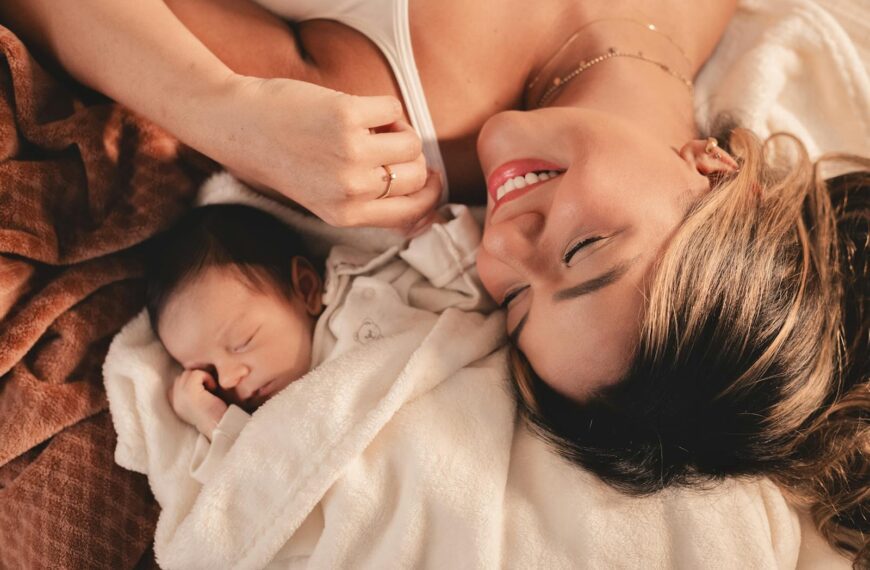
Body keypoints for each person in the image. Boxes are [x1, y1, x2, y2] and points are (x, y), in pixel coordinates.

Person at [4, 0, 867, 563]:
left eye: (515, 299)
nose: (510, 240)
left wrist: (226, 111)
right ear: (716, 170)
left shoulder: (377, 112)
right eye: (584, 251)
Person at [144, 201, 486, 483]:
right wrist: (209, 418)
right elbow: (257, 490)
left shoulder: (371, 295)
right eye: (207, 371)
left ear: (306, 289)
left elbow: (475, 295)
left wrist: (427, 229)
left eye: (241, 342)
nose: (230, 379)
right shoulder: (262, 424)